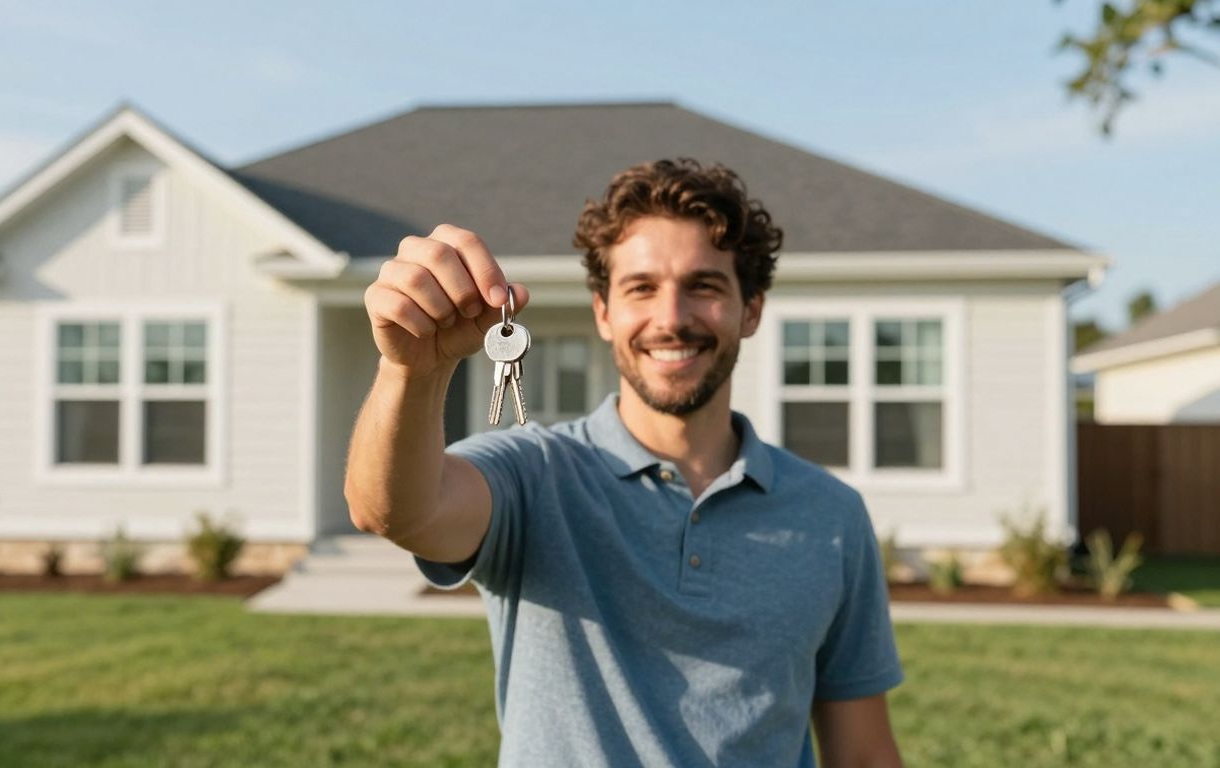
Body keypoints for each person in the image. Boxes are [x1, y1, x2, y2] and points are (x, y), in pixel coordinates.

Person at [345, 159, 905, 767]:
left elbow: (864, 754)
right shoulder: (535, 473)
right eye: (641, 288)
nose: (671, 318)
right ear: (604, 312)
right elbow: (394, 509)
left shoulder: (832, 515)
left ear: (751, 310)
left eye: (705, 286)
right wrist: (412, 372)